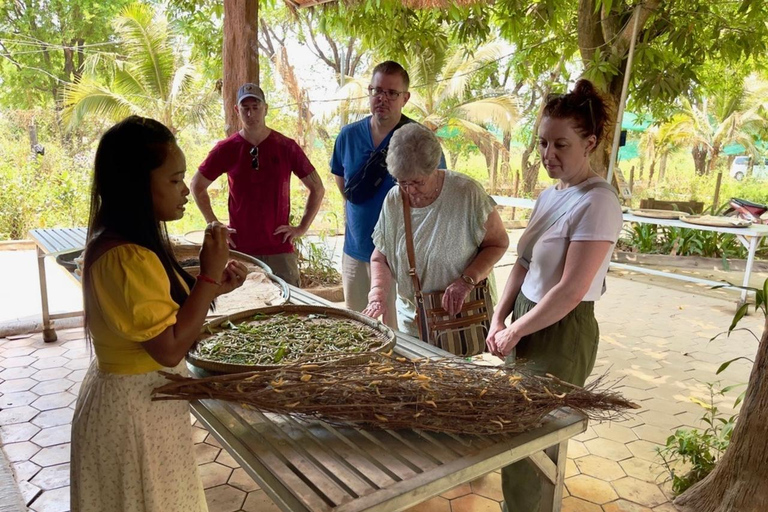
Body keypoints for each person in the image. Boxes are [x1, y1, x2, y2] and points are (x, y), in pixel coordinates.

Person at [70, 116, 249, 512]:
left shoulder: (132, 246)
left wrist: (213, 285)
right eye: (174, 180)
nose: (186, 190)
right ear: (137, 184)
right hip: (133, 416)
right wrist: (206, 274)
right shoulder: (124, 257)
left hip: (143, 406)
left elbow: (159, 306)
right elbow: (169, 349)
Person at [485, 80, 623, 512]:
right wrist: (498, 318)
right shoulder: (551, 194)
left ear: (591, 142)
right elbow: (523, 264)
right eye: (543, 143)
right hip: (526, 321)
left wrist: (515, 331)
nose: (548, 155)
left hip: (562, 331)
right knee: (515, 439)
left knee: (530, 447)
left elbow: (569, 290)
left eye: (561, 144)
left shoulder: (598, 202)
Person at [361, 123, 509, 348]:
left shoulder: (467, 193)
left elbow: (498, 244)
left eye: (418, 182)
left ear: (434, 168)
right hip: (414, 320)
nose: (409, 190)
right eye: (402, 182)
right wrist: (378, 294)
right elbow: (380, 256)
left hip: (461, 319)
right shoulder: (393, 200)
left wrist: (466, 281)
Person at [331, 61, 445, 327]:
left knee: (397, 333)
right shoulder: (347, 136)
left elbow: (436, 189)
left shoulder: (420, 139)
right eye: (376, 90)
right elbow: (342, 183)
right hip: (356, 251)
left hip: (402, 257)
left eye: (392, 93)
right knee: (357, 326)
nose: (382, 98)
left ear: (405, 98)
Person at [191, 83, 325, 286]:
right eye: (245, 108)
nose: (250, 113)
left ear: (265, 109)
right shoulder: (226, 149)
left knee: (290, 308)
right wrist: (214, 224)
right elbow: (196, 185)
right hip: (241, 249)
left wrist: (301, 228)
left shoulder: (286, 146)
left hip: (279, 248)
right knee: (244, 308)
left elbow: (317, 187)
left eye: (256, 107)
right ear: (237, 110)